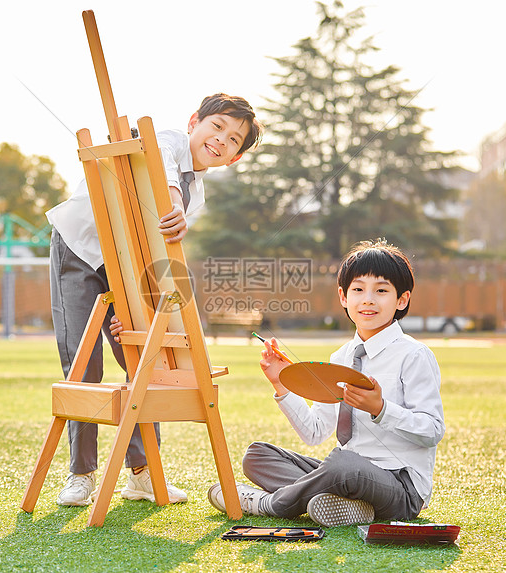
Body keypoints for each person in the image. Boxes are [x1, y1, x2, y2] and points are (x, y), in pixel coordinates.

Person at [46, 93, 262, 507]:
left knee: (142, 355)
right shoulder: (165, 141)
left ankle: (143, 473)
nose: (220, 140)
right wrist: (172, 200)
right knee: (82, 359)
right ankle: (81, 474)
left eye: (233, 140)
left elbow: (155, 256)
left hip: (128, 260)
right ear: (194, 121)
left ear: (235, 158)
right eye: (217, 127)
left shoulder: (197, 196)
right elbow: (157, 163)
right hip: (80, 245)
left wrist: (137, 313)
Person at [207, 239, 445, 526]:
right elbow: (315, 432)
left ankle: (271, 503)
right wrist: (281, 384)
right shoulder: (341, 356)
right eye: (358, 290)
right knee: (257, 455)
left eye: (381, 290)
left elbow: (432, 430)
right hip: (347, 476)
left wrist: (381, 409)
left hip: (400, 489)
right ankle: (346, 505)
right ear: (344, 297)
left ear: (402, 300)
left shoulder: (414, 355)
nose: (368, 299)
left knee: (343, 464)